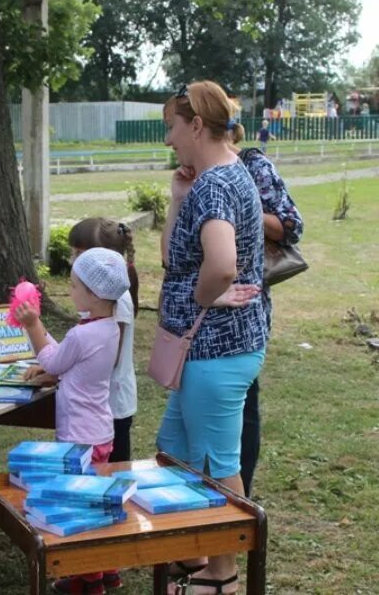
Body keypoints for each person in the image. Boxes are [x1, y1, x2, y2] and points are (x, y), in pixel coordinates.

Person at [158, 81, 268, 594]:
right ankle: (195, 551)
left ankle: (222, 573)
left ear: (196, 125)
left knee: (219, 462)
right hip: (208, 348)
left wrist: (205, 295)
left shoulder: (216, 185)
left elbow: (221, 264)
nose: (168, 141)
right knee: (174, 449)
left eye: (171, 129)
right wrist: (179, 195)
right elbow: (171, 258)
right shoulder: (217, 177)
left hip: (216, 349)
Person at [15, 247, 130, 595]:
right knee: (96, 501)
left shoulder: (83, 335)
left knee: (79, 508)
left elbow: (53, 361)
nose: (70, 289)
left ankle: (88, 580)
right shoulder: (109, 327)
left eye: (75, 285)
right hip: (100, 433)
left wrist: (33, 324)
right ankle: (108, 570)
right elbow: (65, 361)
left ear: (93, 295)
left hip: (77, 439)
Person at [229, 140, 304, 498]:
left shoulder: (253, 165)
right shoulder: (192, 170)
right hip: (202, 313)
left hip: (246, 307)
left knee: (244, 404)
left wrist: (245, 208)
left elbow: (292, 224)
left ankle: (240, 494)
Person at [68, 218, 139, 463]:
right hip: (100, 404)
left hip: (112, 406)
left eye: (79, 253)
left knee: (114, 472)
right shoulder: (100, 299)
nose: (73, 261)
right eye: (73, 253)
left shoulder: (117, 301)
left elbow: (109, 356)